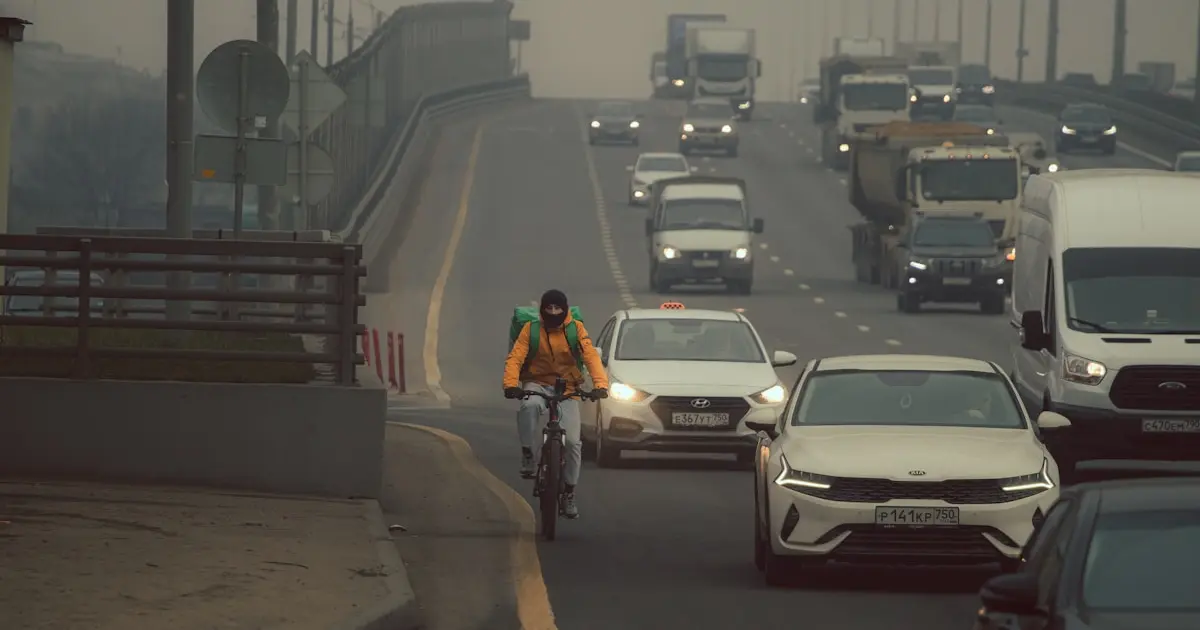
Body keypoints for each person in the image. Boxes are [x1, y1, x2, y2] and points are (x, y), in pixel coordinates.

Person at [503, 289, 608, 519]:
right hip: (536, 384)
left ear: (565, 309)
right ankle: (528, 454)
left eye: (557, 308)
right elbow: (515, 358)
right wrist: (511, 385)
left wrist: (601, 385)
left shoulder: (575, 330)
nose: (553, 312)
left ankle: (569, 492)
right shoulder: (530, 330)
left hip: (567, 388)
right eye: (548, 308)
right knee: (529, 407)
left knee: (572, 443)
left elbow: (590, 356)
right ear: (542, 309)